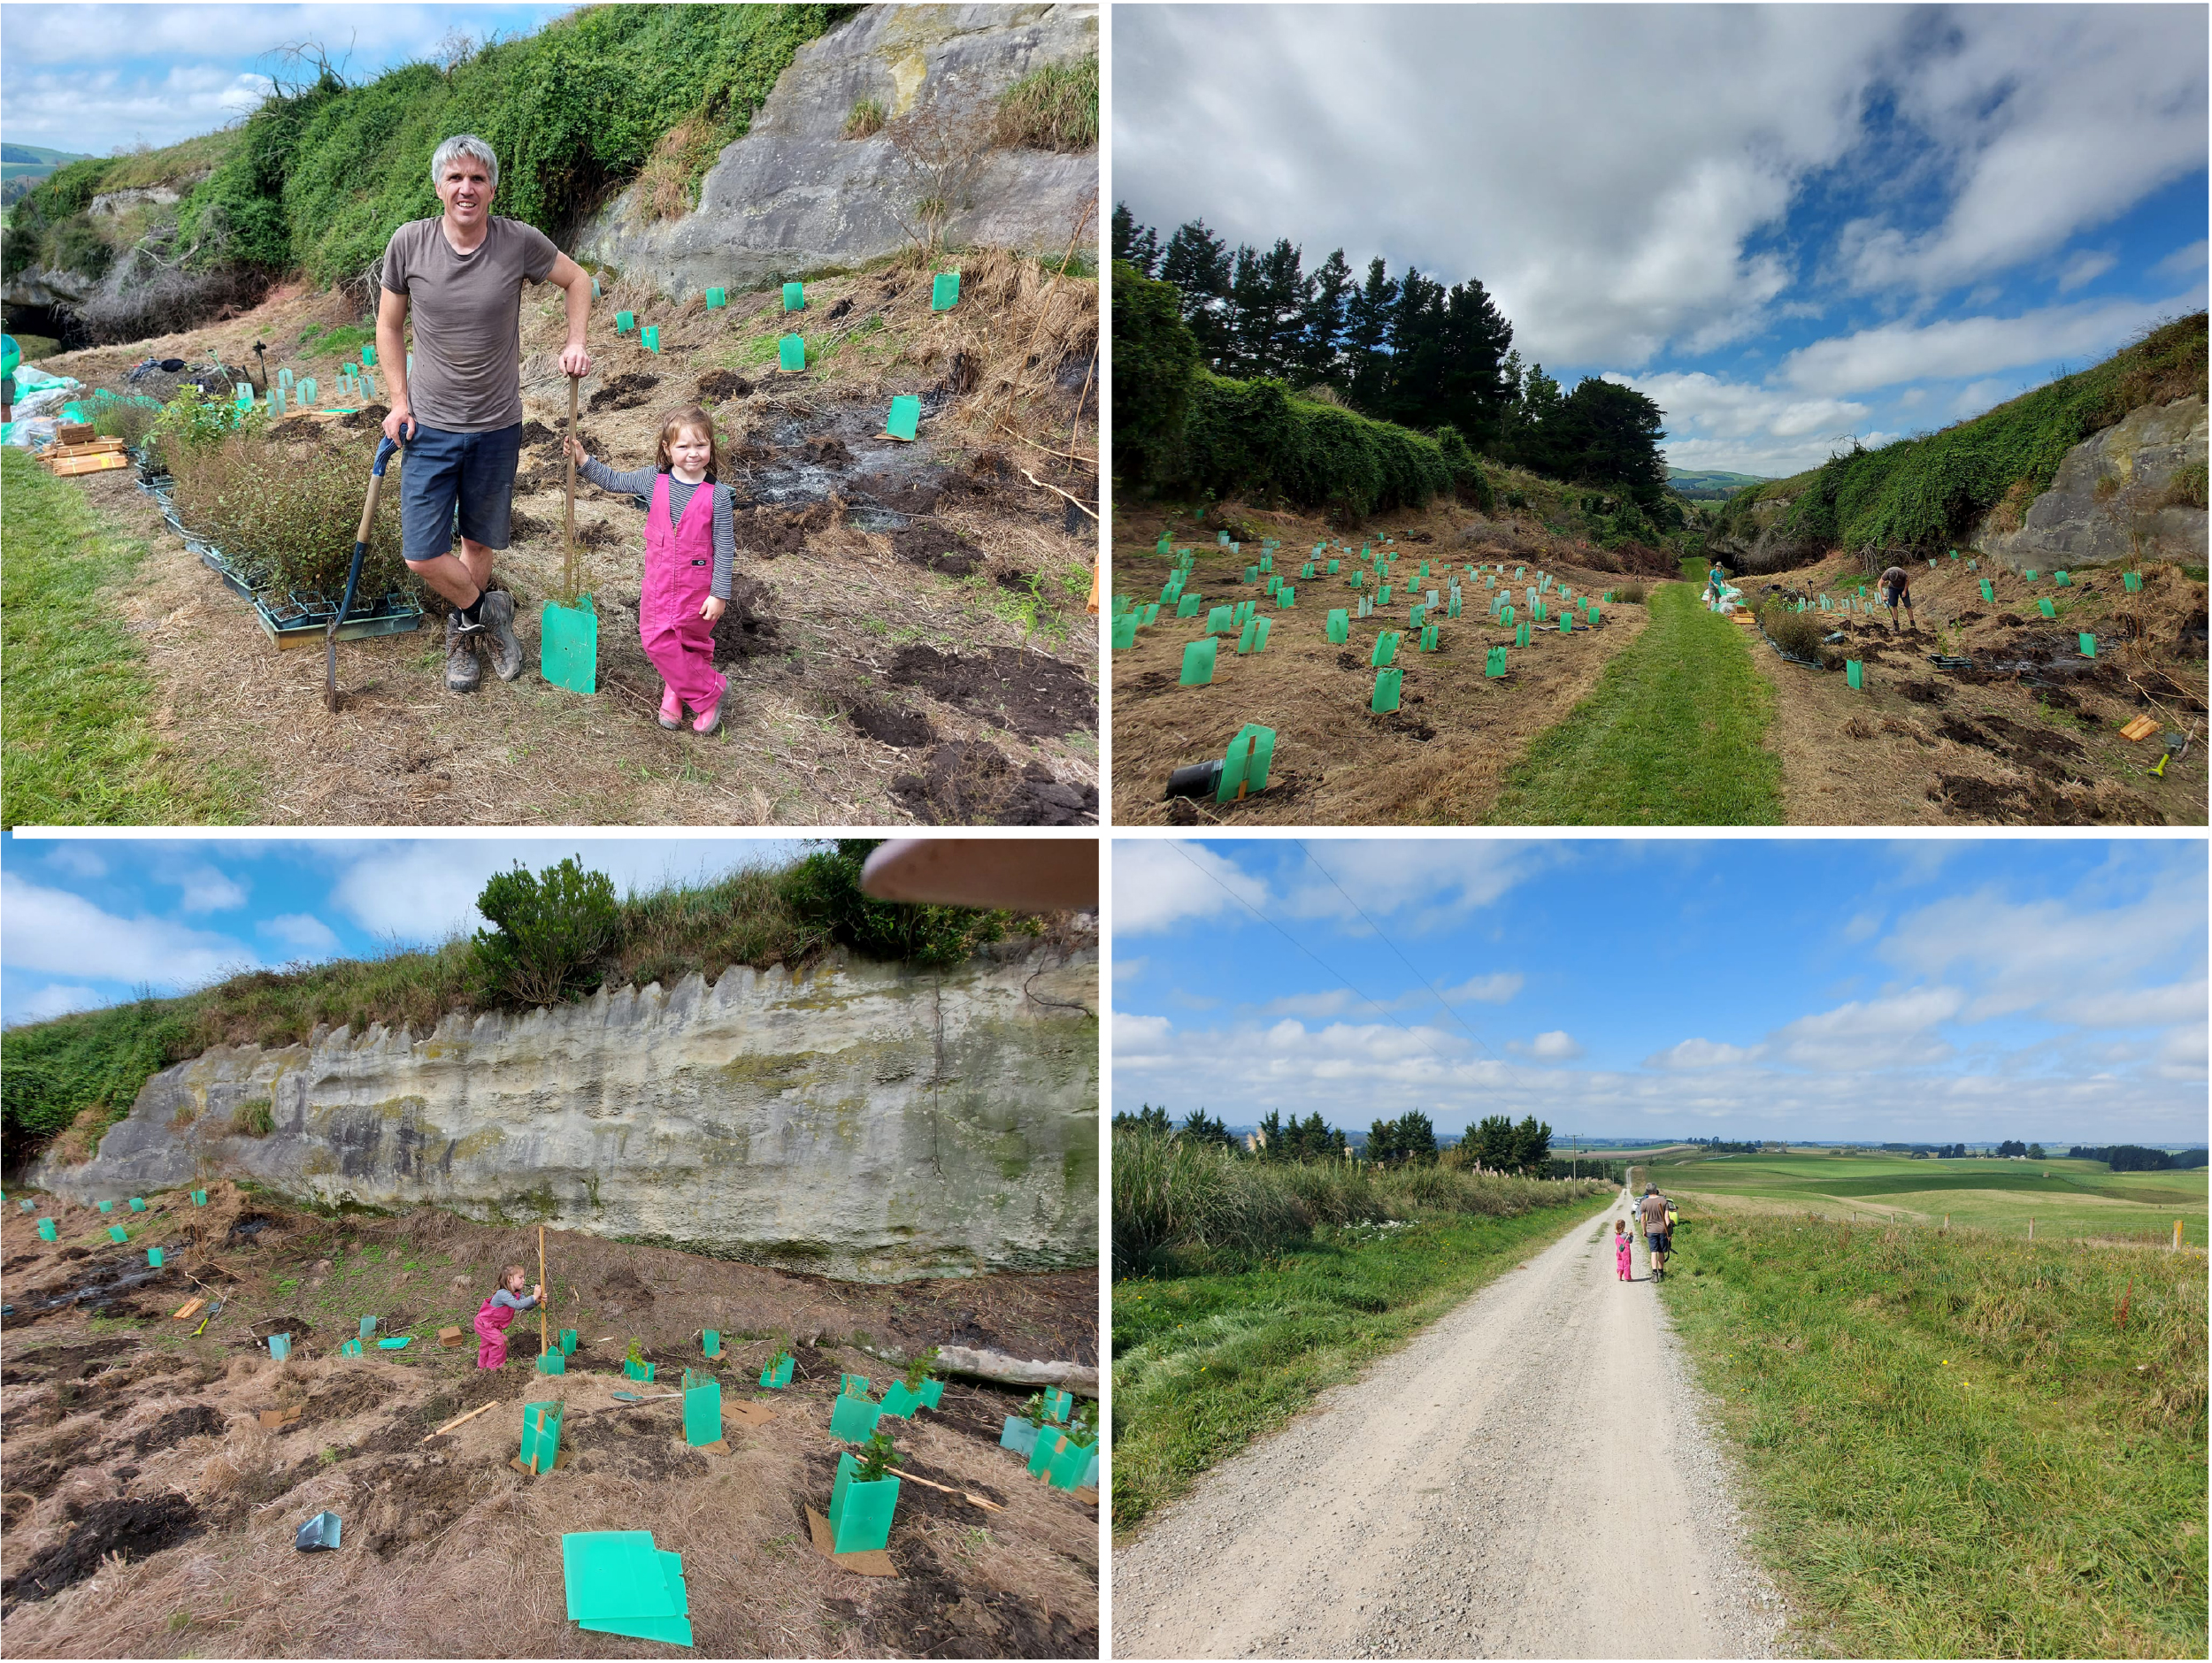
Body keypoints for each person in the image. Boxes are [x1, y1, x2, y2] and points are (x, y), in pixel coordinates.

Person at [378, 134, 595, 694]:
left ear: (493, 188)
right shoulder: (409, 243)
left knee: (478, 542)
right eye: (455, 179)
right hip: (428, 426)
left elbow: (579, 280)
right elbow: (389, 326)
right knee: (422, 553)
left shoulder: (517, 242)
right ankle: (487, 611)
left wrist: (576, 341)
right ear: (438, 187)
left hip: (498, 425)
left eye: (477, 178)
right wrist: (399, 401)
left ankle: (465, 638)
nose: (466, 189)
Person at [565, 406, 733, 734]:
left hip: (697, 587)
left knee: (690, 641)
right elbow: (614, 480)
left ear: (711, 447)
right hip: (658, 583)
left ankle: (677, 689)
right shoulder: (651, 479)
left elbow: (726, 546)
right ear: (667, 449)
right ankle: (708, 691)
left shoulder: (719, 496)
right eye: (683, 446)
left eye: (700, 445)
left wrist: (719, 593)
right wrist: (584, 462)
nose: (693, 453)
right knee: (656, 639)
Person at [472, 1262, 541, 1369]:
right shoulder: (502, 1294)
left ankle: (481, 1368)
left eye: (524, 1277)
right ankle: (493, 1370)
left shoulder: (518, 1294)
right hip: (484, 1324)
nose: (524, 1280)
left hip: (492, 1326)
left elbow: (526, 1307)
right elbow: (517, 1305)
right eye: (520, 1277)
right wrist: (533, 1296)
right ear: (510, 1279)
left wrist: (536, 1301)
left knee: (487, 1345)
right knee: (500, 1342)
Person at [1639, 1184, 1671, 1282]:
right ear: (1656, 1190)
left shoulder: (1644, 1203)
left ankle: (1654, 1274)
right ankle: (1661, 1273)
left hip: (1651, 1230)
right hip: (1662, 1230)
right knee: (1661, 1251)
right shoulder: (1664, 1201)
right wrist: (1668, 1232)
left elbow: (1643, 1220)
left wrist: (1644, 1230)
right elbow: (1667, 1218)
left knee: (1653, 1252)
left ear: (1647, 1191)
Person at [1879, 563, 1916, 632]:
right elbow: (1879, 583)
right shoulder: (1886, 574)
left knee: (1908, 606)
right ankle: (1896, 626)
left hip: (1903, 587)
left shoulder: (1902, 573)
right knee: (1894, 606)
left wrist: (1905, 591)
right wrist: (1882, 596)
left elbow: (1908, 580)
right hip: (1892, 589)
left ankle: (1913, 624)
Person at [1614, 1218, 1633, 1282]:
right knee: (1626, 1263)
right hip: (1625, 1252)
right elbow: (1630, 1241)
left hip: (1619, 1251)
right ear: (1623, 1227)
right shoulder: (1625, 1235)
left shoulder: (1617, 1235)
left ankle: (1619, 1276)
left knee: (1620, 1263)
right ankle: (1627, 1277)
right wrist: (1631, 1235)